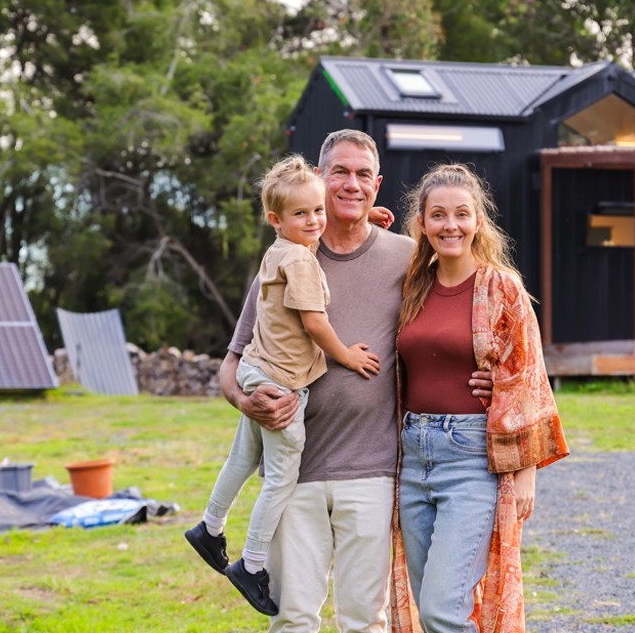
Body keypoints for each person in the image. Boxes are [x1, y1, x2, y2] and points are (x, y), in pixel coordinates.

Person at [219, 130, 492, 633]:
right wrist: (244, 399)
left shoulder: (409, 257)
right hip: (294, 471)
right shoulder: (281, 261)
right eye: (339, 172)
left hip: (372, 470)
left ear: (377, 184)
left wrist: (490, 374)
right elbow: (232, 361)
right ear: (318, 180)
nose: (351, 183)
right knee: (294, 617)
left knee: (364, 620)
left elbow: (461, 307)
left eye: (363, 174)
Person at [186, 154, 381, 616]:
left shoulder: (280, 249)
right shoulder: (303, 263)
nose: (315, 220)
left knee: (241, 458)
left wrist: (366, 217)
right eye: (303, 213)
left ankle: (210, 525)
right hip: (281, 386)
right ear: (277, 220)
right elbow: (314, 323)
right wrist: (347, 356)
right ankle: (252, 564)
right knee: (280, 479)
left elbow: (313, 227)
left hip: (260, 369)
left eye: (318, 211)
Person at [390, 163, 569, 633]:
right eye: (438, 215)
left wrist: (526, 471)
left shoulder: (500, 286)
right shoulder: (412, 285)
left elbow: (527, 377)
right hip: (412, 461)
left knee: (442, 612)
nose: (451, 225)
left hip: (470, 461)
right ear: (423, 223)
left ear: (478, 221)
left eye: (462, 214)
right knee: (430, 606)